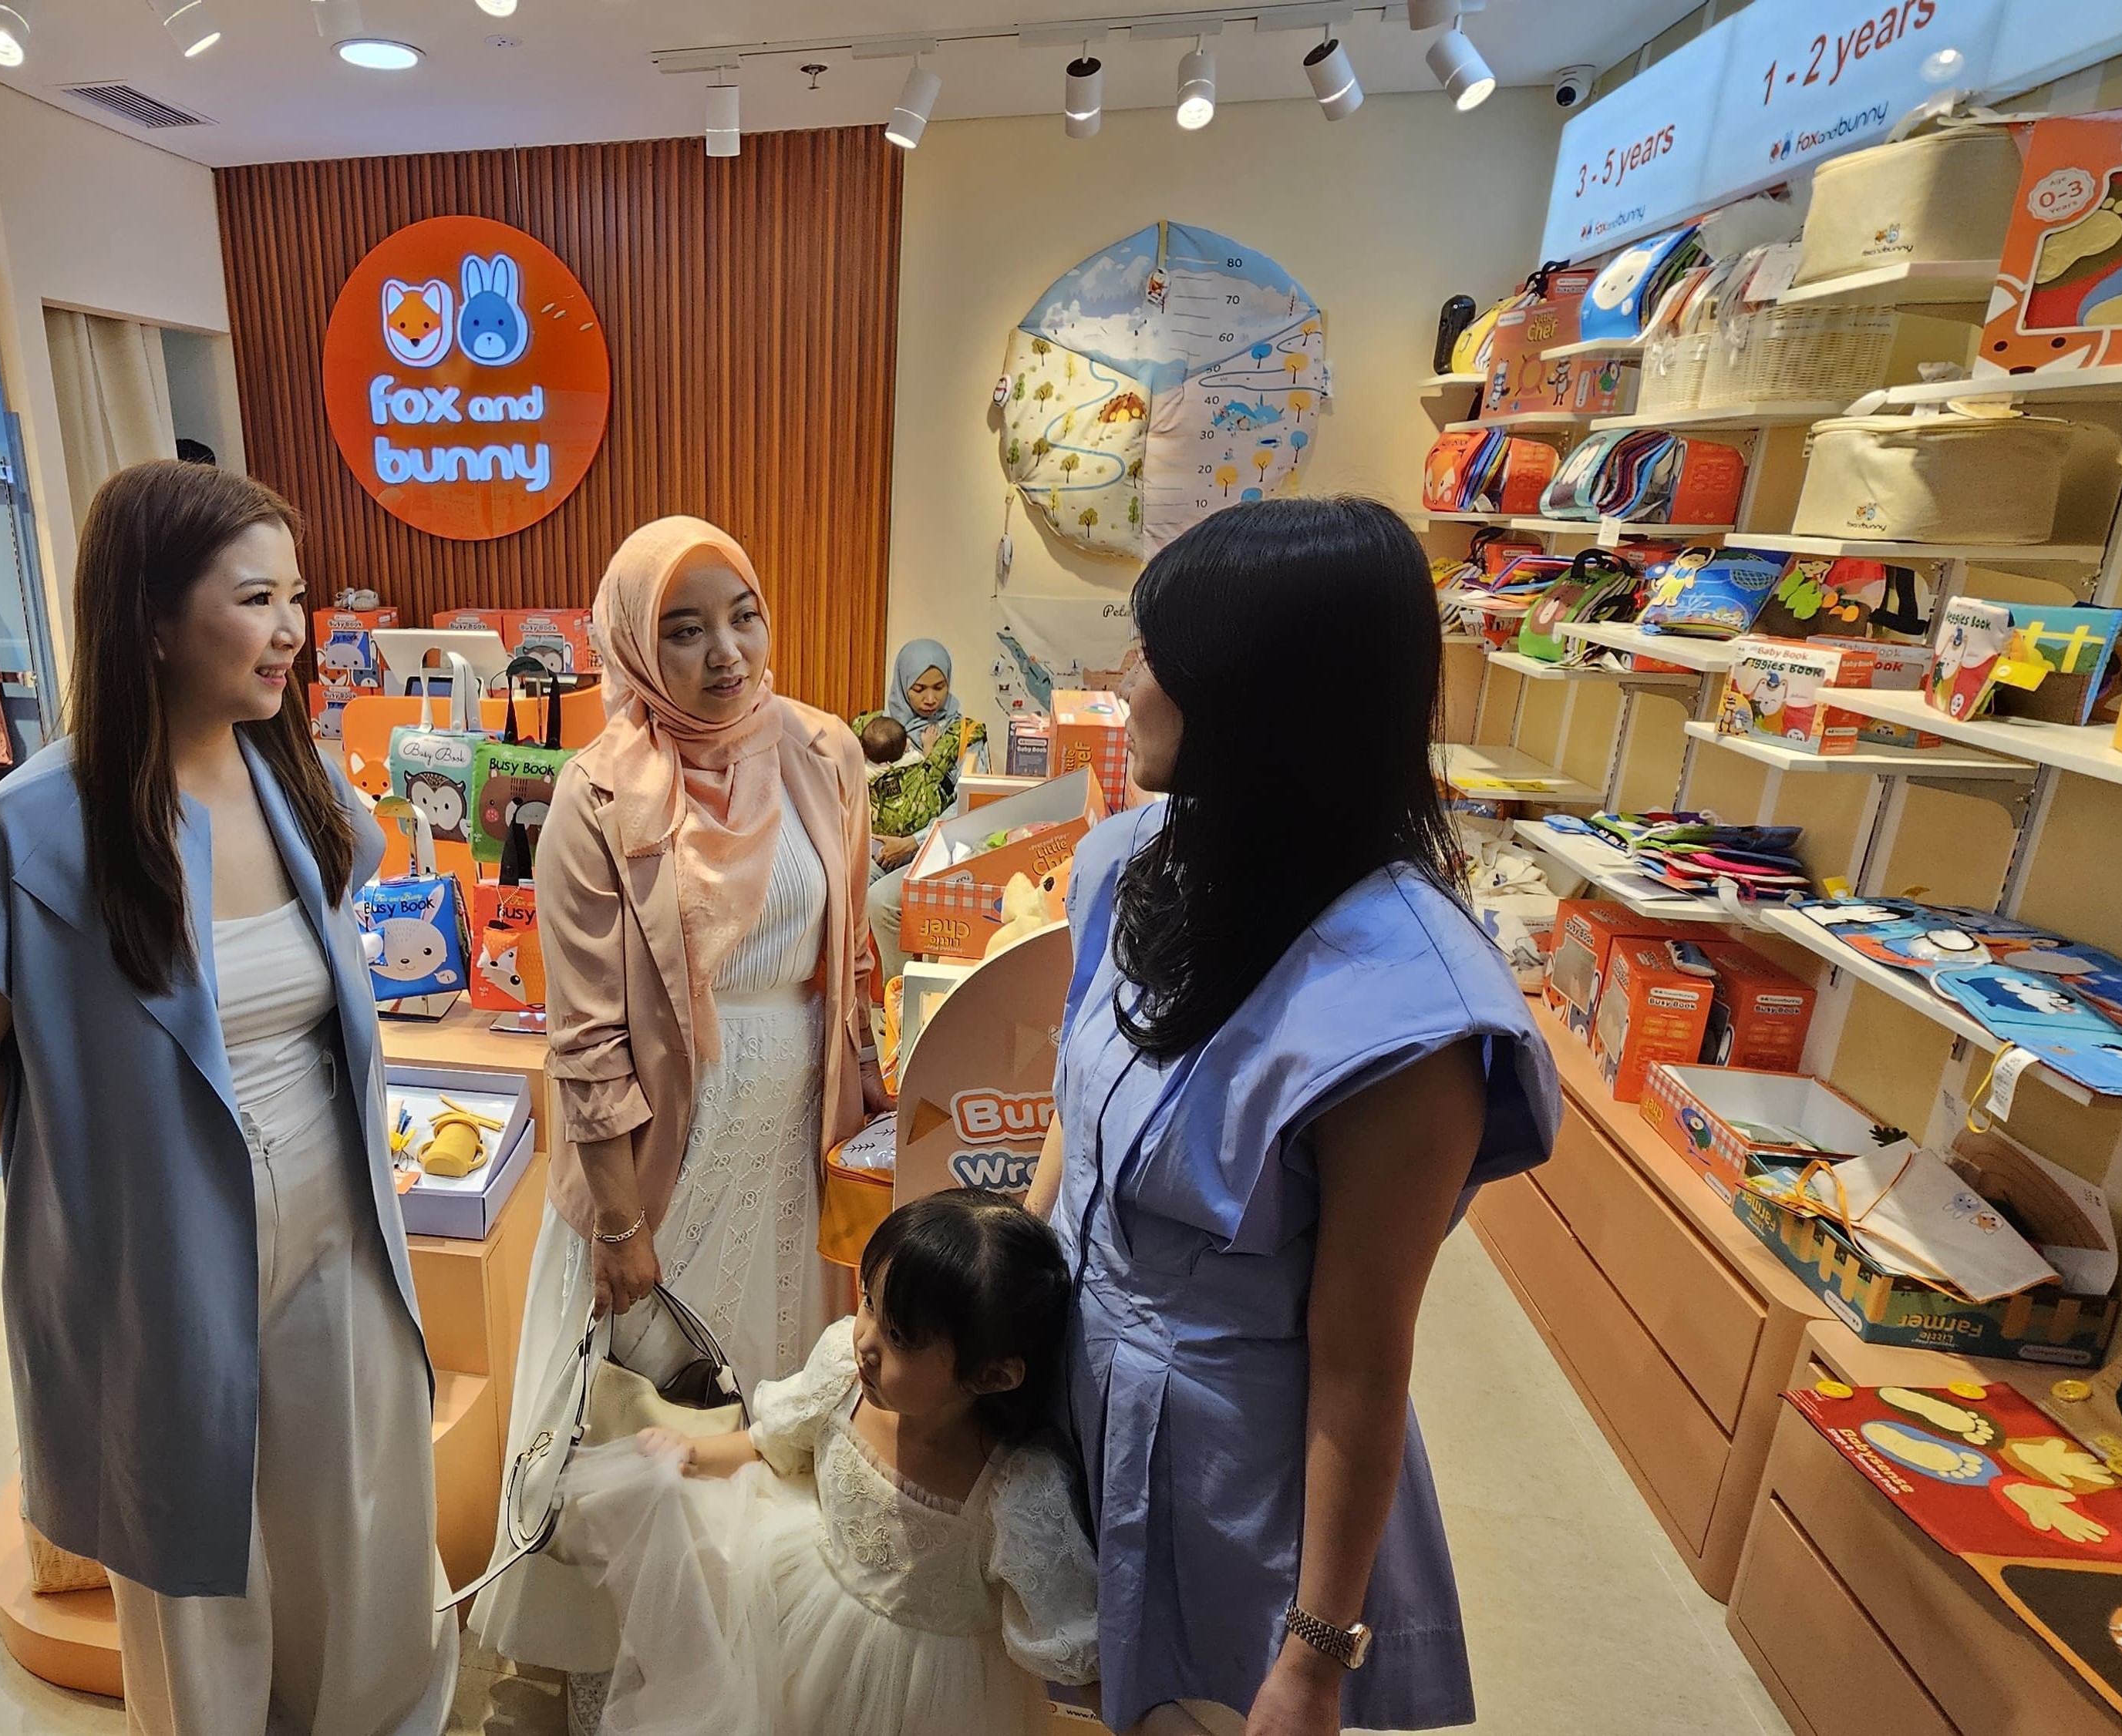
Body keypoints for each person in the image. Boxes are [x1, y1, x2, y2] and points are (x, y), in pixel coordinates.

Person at [0, 461, 453, 1735]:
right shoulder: (38, 827)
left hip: (335, 1213)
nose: (292, 629)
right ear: (150, 618)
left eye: (295, 597)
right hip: (156, 1248)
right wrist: (87, 1163)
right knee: (197, 1554)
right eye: (256, 599)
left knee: (356, 1509)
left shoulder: (299, 784)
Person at [1023, 497, 1559, 1736]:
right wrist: (1004, 1283)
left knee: (1196, 1706)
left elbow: (1363, 1361)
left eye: (1156, 655)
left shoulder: (1404, 1014)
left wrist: (1316, 1652)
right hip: (1073, 1385)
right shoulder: (1134, 862)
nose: (1124, 681)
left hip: (1232, 1467)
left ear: (1256, 698)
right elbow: (1073, 1103)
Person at [469, 515, 884, 1726]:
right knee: (652, 1402)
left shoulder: (821, 750)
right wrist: (615, 1222)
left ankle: (749, 1659)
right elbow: (587, 1039)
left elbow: (850, 951)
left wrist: (865, 1102)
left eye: (741, 616)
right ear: (634, 649)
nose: (725, 653)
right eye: (685, 631)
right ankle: (624, 1668)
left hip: (791, 1125)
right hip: (662, 1155)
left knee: (769, 1393)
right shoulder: (596, 794)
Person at [553, 1188, 1099, 1735]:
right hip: (791, 1618)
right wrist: (691, 1453)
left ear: (993, 1375)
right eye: (869, 1302)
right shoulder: (842, 1377)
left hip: (925, 1698)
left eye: (900, 1337)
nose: (865, 1341)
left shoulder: (1017, 1492)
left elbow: (1067, 1639)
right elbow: (772, 1447)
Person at [860, 640, 986, 980]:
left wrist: (914, 841)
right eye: (919, 689)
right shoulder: (879, 730)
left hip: (937, 848)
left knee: (881, 900)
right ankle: (856, 991)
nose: (930, 699)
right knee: (845, 887)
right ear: (902, 684)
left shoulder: (964, 735)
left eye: (939, 687)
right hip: (883, 845)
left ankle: (900, 991)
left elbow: (969, 802)